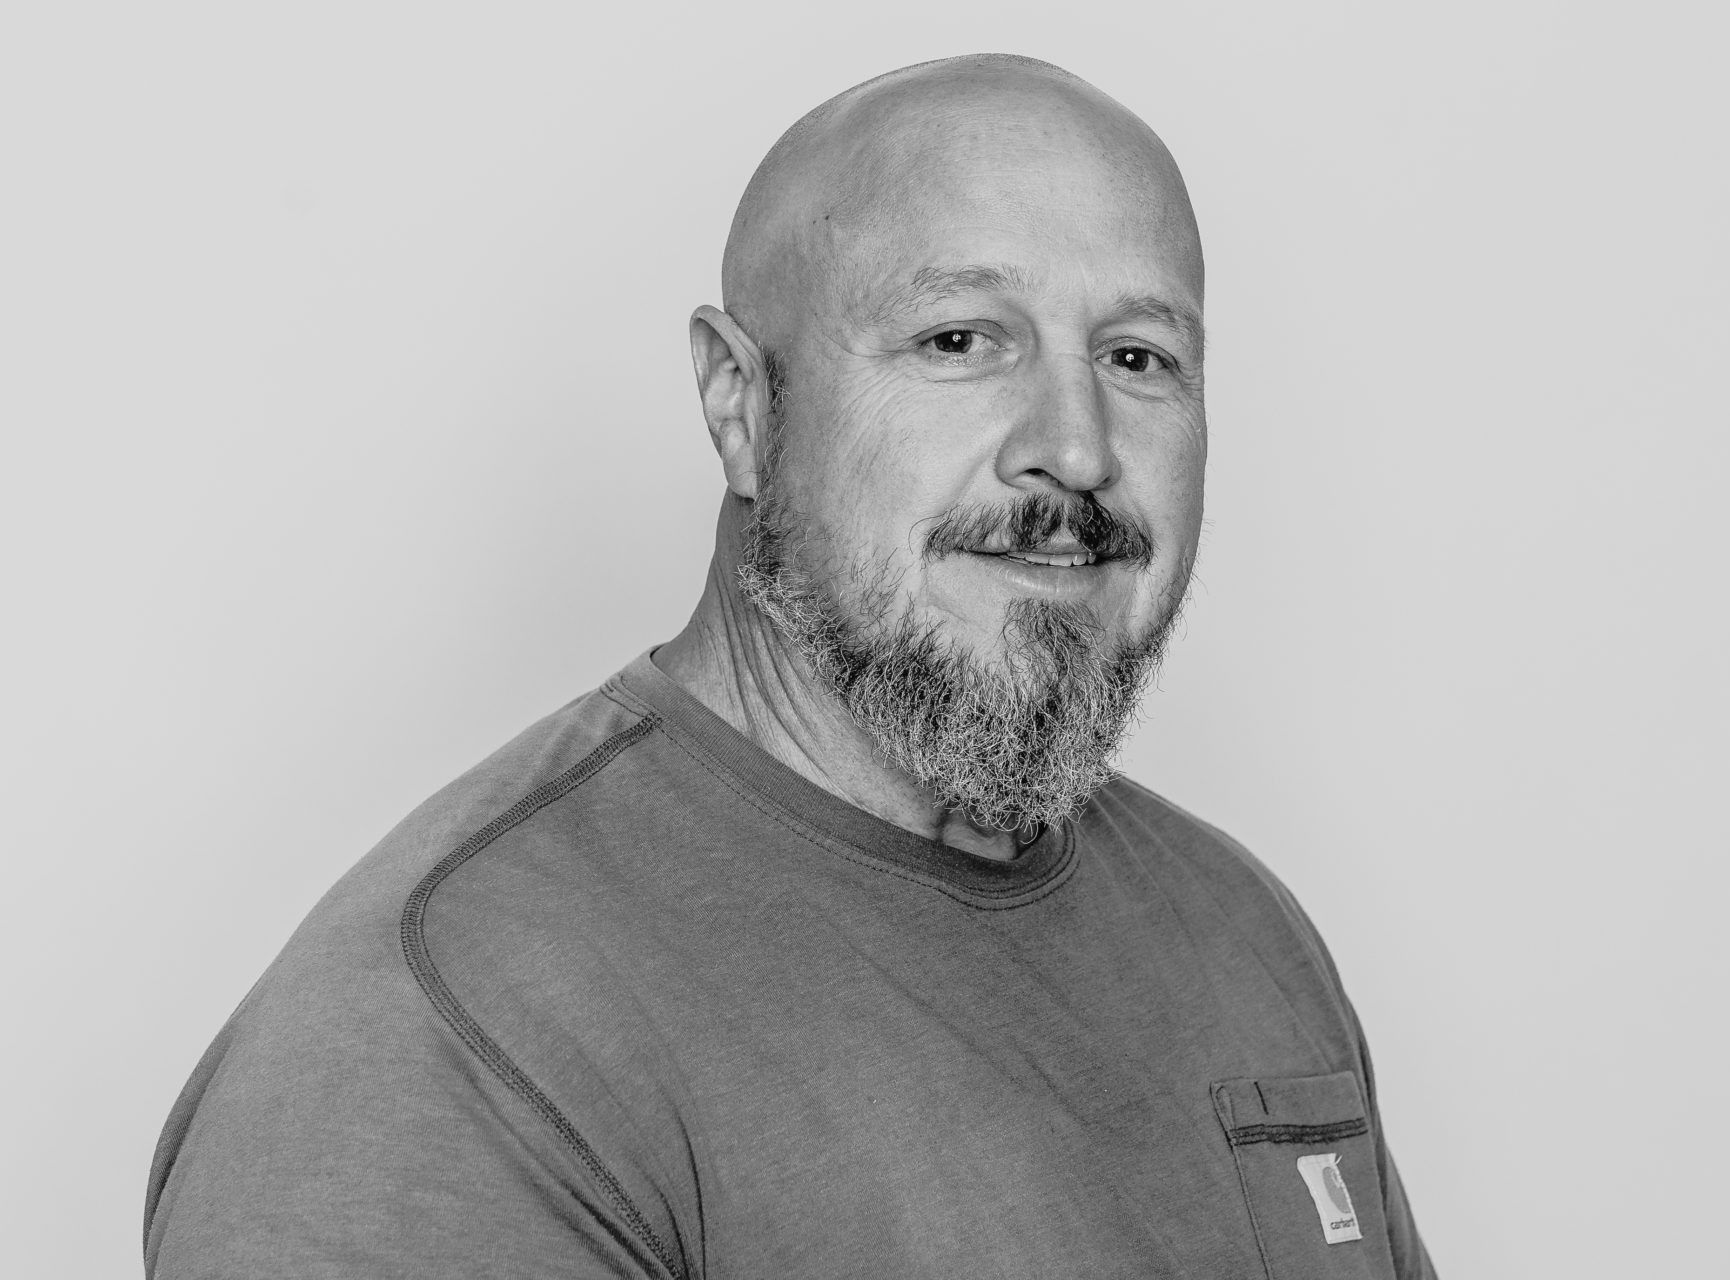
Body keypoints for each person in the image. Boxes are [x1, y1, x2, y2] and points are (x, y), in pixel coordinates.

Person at [145, 53, 1436, 1280]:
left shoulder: (1240, 932)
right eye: (960, 339)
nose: (1077, 450)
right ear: (739, 404)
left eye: (1138, 358)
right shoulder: (447, 1040)